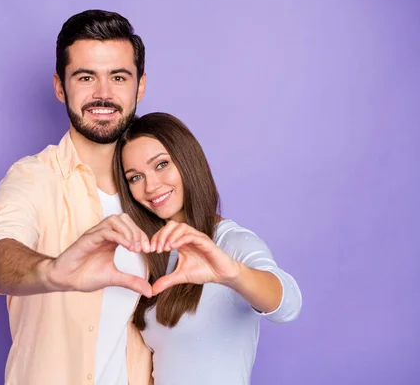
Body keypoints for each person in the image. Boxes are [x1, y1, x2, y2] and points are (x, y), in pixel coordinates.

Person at [0, 10, 156, 385]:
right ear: (60, 86)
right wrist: (51, 271)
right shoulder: (33, 177)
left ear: (139, 86)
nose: (103, 94)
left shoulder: (159, 186)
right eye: (86, 77)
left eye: (118, 77)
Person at [112, 112, 303, 385]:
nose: (151, 186)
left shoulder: (232, 243)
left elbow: (289, 306)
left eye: (162, 164)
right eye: (135, 177)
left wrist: (233, 274)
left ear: (187, 160)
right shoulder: (152, 256)